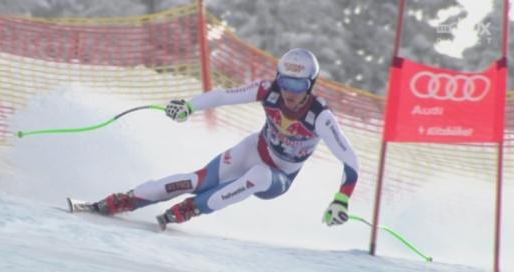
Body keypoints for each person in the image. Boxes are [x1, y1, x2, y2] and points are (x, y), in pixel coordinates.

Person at [69, 48, 359, 230]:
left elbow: (351, 161)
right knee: (195, 181)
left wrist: (341, 201)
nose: (289, 91)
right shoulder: (267, 90)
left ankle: (193, 208)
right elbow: (222, 95)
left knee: (258, 174)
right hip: (253, 149)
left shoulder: (320, 116)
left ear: (310, 85)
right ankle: (124, 200)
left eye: (297, 84)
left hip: (278, 177)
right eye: (285, 82)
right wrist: (188, 106)